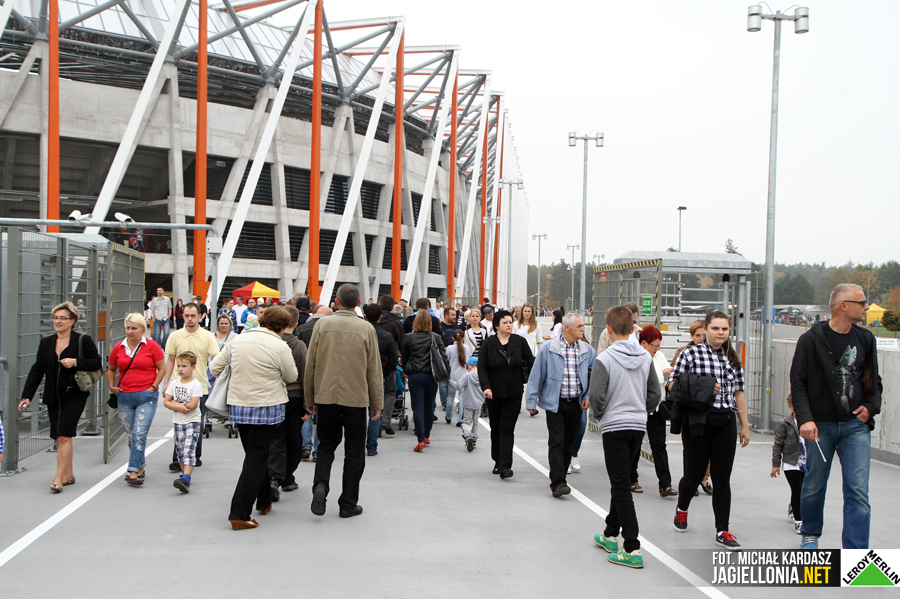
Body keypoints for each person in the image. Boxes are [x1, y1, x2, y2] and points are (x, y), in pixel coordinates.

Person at [790, 283, 882, 550]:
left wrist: (871, 406)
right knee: (815, 485)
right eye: (861, 302)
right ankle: (810, 534)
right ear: (844, 305)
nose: (866, 307)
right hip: (820, 425)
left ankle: (856, 550)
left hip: (855, 426)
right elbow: (798, 382)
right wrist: (805, 419)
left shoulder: (866, 338)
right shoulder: (810, 339)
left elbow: (873, 380)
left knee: (858, 490)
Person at [211, 306, 297, 530]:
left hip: (239, 404)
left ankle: (265, 499)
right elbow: (291, 376)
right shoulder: (279, 345)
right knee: (256, 459)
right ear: (282, 326)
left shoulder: (238, 340)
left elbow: (214, 367)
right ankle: (239, 513)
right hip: (266, 405)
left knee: (255, 454)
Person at [670, 310, 750, 551]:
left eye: (724, 329)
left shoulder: (732, 358)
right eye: (715, 328)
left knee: (722, 478)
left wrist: (744, 426)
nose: (720, 333)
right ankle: (682, 508)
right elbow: (673, 385)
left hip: (725, 420)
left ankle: (722, 530)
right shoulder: (691, 354)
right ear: (706, 329)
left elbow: (738, 393)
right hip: (698, 420)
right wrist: (703, 386)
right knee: (693, 475)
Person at [589, 305, 660, 569]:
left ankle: (631, 547)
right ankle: (610, 533)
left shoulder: (605, 358)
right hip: (637, 425)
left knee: (620, 485)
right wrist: (642, 410)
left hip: (614, 425)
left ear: (608, 329)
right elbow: (655, 394)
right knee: (622, 479)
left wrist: (601, 414)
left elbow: (596, 394)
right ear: (633, 329)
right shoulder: (645, 357)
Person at [306, 284, 383, 518]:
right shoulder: (366, 328)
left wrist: (309, 397)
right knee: (354, 450)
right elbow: (374, 369)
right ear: (358, 303)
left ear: (336, 302)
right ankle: (348, 503)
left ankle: (320, 485)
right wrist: (377, 401)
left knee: (326, 445)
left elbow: (311, 364)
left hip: (326, 395)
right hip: (356, 397)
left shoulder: (322, 325)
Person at [19, 302, 102, 492]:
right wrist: (26, 396)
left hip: (75, 394)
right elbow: (37, 369)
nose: (58, 321)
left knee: (64, 435)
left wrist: (76, 362)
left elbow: (96, 362)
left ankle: (58, 478)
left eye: (63, 318)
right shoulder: (46, 342)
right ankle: (69, 474)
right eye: (55, 318)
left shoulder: (83, 340)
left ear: (72, 321)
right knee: (59, 437)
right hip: (53, 396)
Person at [526, 312, 596, 497]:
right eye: (579, 326)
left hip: (576, 403)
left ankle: (561, 476)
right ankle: (558, 482)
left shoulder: (587, 350)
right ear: (567, 327)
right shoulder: (548, 348)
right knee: (557, 441)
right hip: (555, 403)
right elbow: (536, 375)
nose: (583, 329)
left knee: (568, 443)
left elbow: (594, 374)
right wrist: (531, 400)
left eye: (583, 326)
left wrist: (587, 395)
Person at [107, 313, 166, 486]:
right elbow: (111, 368)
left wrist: (153, 386)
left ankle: (132, 471)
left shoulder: (152, 346)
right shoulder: (119, 347)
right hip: (124, 396)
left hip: (145, 396)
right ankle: (140, 468)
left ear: (142, 329)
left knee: (139, 434)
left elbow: (162, 368)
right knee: (132, 436)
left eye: (134, 328)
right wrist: (112, 386)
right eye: (128, 328)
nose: (130, 331)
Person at [478, 309, 534, 479]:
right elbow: (482, 367)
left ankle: (505, 466)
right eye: (505, 322)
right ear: (496, 325)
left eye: (510, 322)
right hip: (493, 393)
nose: (509, 325)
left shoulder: (519, 342)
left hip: (514, 392)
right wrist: (486, 387)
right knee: (496, 427)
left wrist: (532, 384)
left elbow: (531, 362)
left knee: (507, 428)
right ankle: (497, 459)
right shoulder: (489, 344)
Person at [164, 303, 219, 471]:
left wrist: (217, 377)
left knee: (197, 423)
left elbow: (216, 358)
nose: (189, 319)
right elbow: (171, 360)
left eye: (193, 315)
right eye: (186, 315)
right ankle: (178, 458)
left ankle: (195, 455)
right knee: (179, 422)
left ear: (200, 317)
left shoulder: (207, 336)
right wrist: (166, 383)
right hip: (178, 386)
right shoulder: (175, 336)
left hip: (199, 386)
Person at [630, 325, 677, 497]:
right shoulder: (636, 356)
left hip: (657, 409)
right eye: (654, 345)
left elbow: (667, 375)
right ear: (643, 343)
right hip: (640, 408)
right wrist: (661, 373)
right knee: (635, 445)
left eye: (658, 346)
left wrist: (664, 374)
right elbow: (644, 377)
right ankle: (631, 479)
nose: (657, 349)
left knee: (659, 446)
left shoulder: (659, 356)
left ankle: (665, 484)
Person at [268, 305, 307, 498]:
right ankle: (287, 476)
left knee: (276, 438)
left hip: (273, 395)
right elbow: (305, 375)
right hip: (294, 396)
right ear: (296, 323)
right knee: (294, 438)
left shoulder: (270, 343)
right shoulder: (299, 346)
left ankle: (274, 476)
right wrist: (308, 403)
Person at [670, 320, 712, 496]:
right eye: (697, 335)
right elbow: (674, 383)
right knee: (691, 449)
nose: (701, 339)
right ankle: (691, 479)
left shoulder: (716, 354)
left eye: (704, 335)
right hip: (690, 407)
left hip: (710, 407)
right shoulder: (684, 353)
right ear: (692, 336)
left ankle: (704, 478)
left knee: (710, 448)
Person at [401, 310, 449, 452]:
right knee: (429, 406)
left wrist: (406, 370)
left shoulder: (408, 338)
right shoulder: (435, 337)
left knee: (418, 408)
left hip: (415, 375)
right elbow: (443, 356)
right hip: (431, 375)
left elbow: (405, 357)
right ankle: (427, 435)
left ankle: (420, 439)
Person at [164, 351, 203, 493]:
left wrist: (176, 404)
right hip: (178, 421)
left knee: (189, 449)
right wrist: (178, 406)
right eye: (178, 366)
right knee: (180, 450)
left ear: (193, 367)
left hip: (192, 422)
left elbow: (192, 405)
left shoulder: (195, 384)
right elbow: (166, 401)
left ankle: (186, 477)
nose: (180, 369)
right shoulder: (174, 383)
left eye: (184, 366)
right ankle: (184, 474)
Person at [363, 303, 398, 452]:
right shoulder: (386, 336)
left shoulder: (361, 334)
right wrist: (384, 372)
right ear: (380, 317)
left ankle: (358, 444)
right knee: (375, 409)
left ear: (365, 316)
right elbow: (393, 359)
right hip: (378, 375)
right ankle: (372, 445)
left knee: (359, 411)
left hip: (360, 376)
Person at [771, 394, 806, 535]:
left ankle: (793, 506)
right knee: (798, 490)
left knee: (806, 490)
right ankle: (799, 521)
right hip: (791, 463)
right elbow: (777, 445)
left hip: (808, 463)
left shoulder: (812, 422)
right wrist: (776, 464)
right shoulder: (784, 424)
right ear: (790, 406)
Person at [450, 356, 483, 451]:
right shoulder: (483, 377)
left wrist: (448, 380)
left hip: (468, 403)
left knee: (466, 422)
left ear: (469, 366)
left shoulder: (467, 376)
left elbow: (458, 386)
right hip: (479, 404)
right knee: (475, 422)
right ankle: (474, 440)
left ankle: (468, 436)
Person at [446, 328, 473, 428]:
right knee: (462, 398)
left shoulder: (449, 348)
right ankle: (460, 419)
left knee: (450, 397)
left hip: (452, 375)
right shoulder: (466, 347)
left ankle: (448, 416)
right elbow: (468, 359)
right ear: (463, 338)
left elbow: (447, 360)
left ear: (453, 338)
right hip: (463, 375)